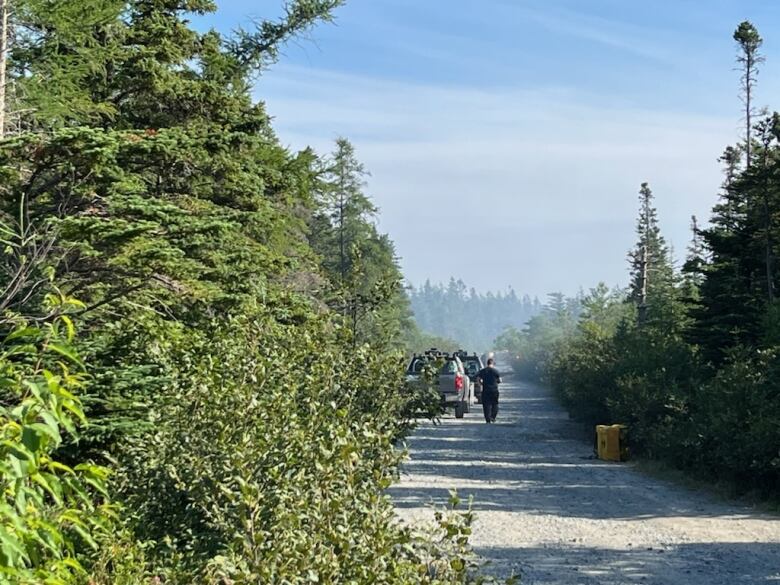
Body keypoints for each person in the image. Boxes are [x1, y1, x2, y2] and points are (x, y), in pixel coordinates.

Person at [476, 358, 502, 423]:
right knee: (495, 404)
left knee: (486, 405)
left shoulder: (483, 371)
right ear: (492, 363)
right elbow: (500, 380)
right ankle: (493, 417)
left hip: (485, 390)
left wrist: (480, 384)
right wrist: (496, 382)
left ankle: (487, 419)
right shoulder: (496, 371)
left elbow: (478, 378)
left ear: (487, 363)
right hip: (494, 391)